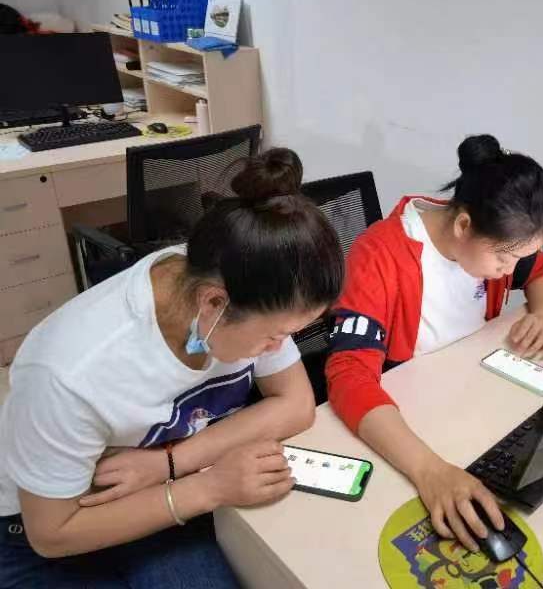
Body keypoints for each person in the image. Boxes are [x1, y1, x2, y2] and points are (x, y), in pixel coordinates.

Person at [0, 148, 344, 588]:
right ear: (213, 303)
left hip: (159, 482)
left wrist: (170, 464)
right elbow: (51, 534)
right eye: (274, 336)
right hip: (52, 524)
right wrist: (210, 488)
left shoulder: (241, 275)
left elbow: (295, 404)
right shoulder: (68, 374)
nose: (278, 348)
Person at [326, 134, 543, 553]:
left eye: (516, 259)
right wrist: (429, 471)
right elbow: (348, 376)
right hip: (407, 423)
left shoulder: (496, 234)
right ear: (463, 226)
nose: (510, 269)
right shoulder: (378, 256)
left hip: (464, 405)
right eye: (504, 259)